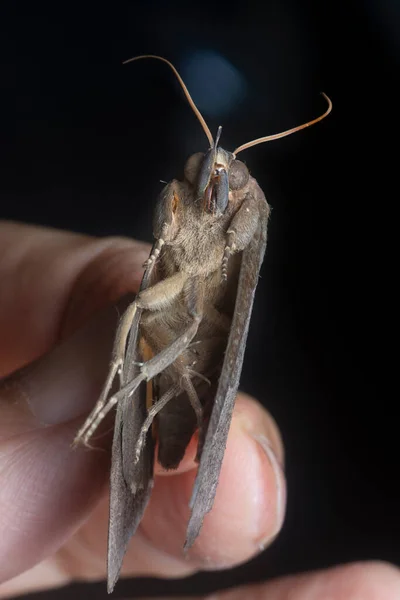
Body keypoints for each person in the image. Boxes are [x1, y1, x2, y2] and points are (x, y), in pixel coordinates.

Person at [0, 221, 398, 599]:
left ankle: (144, 408)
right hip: (167, 336)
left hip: (194, 361)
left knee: (179, 326)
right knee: (141, 306)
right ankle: (123, 395)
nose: (211, 184)